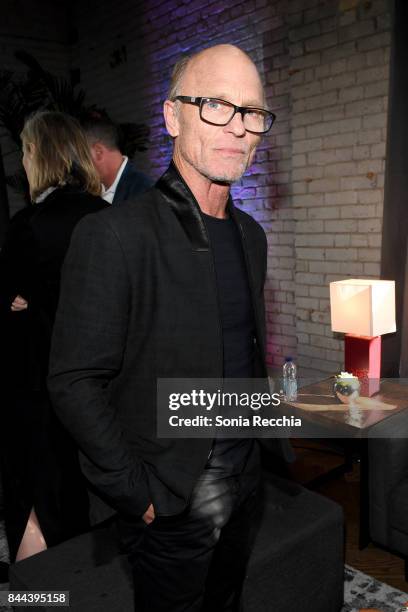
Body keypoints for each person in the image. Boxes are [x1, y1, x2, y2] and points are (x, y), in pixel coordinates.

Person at [48, 44, 293, 611]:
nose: (239, 127)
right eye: (215, 105)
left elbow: (238, 350)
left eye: (252, 111)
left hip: (247, 474)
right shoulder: (114, 235)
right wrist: (139, 494)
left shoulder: (251, 235)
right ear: (171, 115)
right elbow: (74, 380)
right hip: (172, 493)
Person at [0, 111, 108, 563]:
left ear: (38, 154)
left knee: (35, 495)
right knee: (86, 494)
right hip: (102, 384)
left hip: (39, 386)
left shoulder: (30, 225)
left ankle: (37, 597)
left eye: (25, 150)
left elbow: (11, 294)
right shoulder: (109, 215)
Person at [83, 116, 153, 204]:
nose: (79, 163)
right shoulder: (90, 195)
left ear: (98, 152)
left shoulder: (143, 193)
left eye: (82, 155)